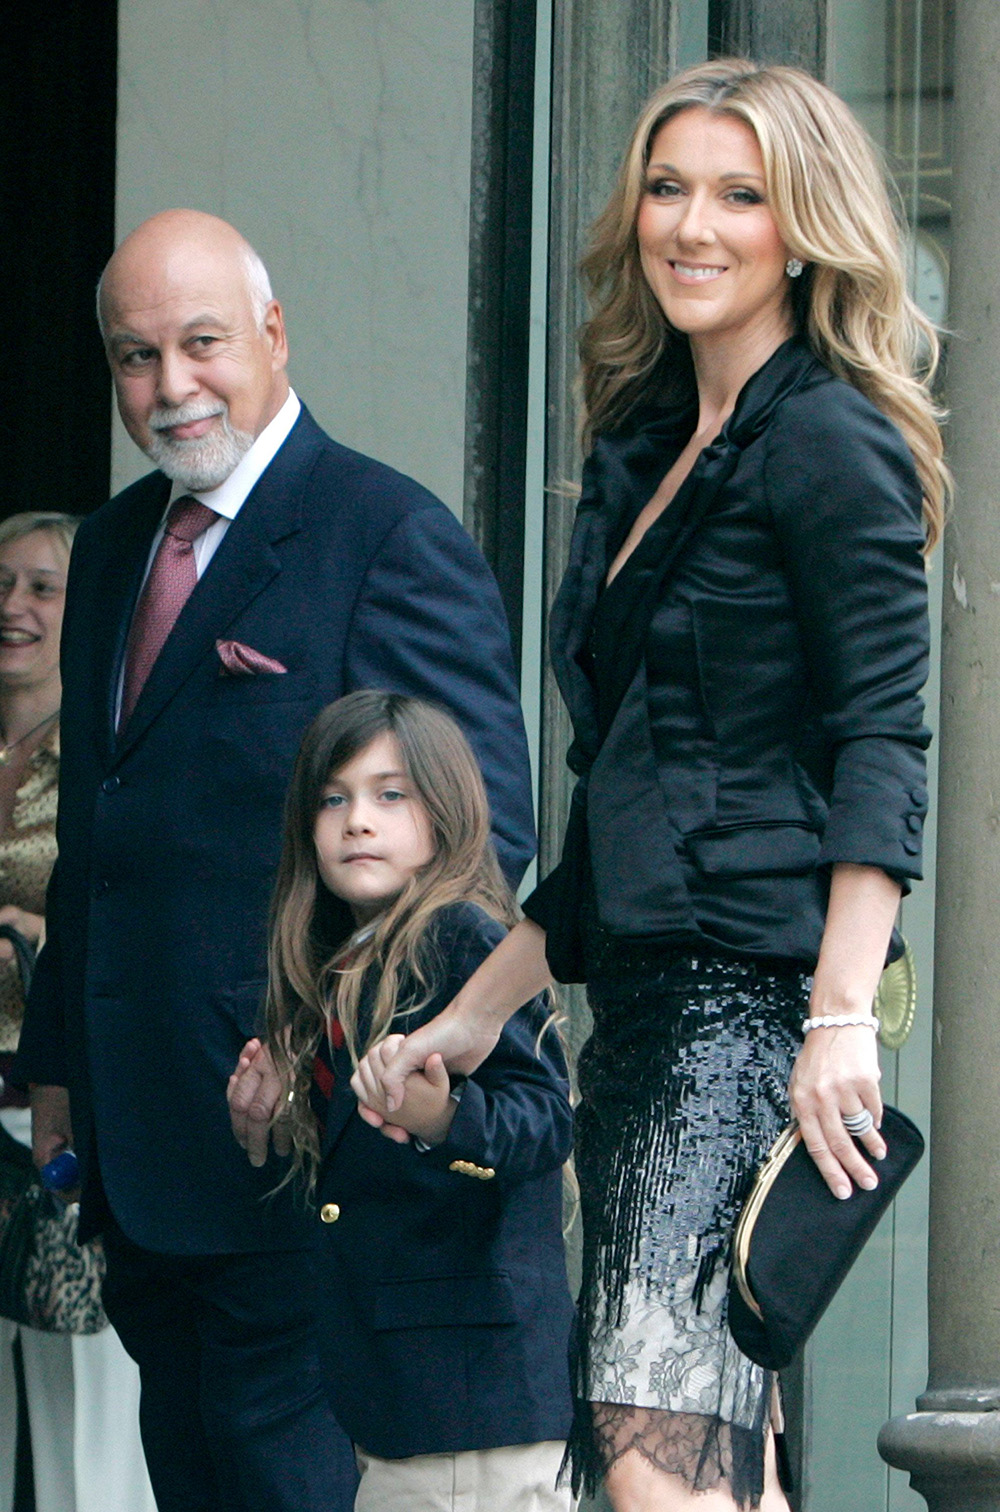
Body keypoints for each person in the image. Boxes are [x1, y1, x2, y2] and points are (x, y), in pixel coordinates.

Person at [349, 60, 948, 1512]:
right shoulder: (641, 449)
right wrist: (472, 1020)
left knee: (654, 1466)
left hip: (748, 1020)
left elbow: (883, 737)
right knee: (702, 1474)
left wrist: (837, 1016)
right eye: (669, 188)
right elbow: (629, 810)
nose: (694, 224)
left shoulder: (829, 439)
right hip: (646, 1021)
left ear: (799, 229)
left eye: (739, 195)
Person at [12, 209, 535, 1512]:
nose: (171, 386)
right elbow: (101, 833)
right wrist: (59, 1063)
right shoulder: (115, 549)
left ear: (275, 334)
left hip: (304, 1166)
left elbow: (479, 846)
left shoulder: (384, 537)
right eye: (136, 358)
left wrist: (332, 1058)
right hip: (136, 1164)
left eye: (201, 344)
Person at [239, 689, 575, 1511]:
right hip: (403, 1406)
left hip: (477, 1405)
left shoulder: (462, 936)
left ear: (447, 814)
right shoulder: (340, 966)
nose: (358, 819)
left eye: (391, 795)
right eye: (334, 798)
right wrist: (269, 1126)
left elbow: (545, 1121)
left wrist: (444, 1119)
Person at [0, 512, 154, 1512]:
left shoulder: (112, 755)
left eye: (41, 587)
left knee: (84, 1416)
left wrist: (19, 923)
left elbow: (131, 928)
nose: (13, 607)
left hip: (49, 1104)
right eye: (0, 583)